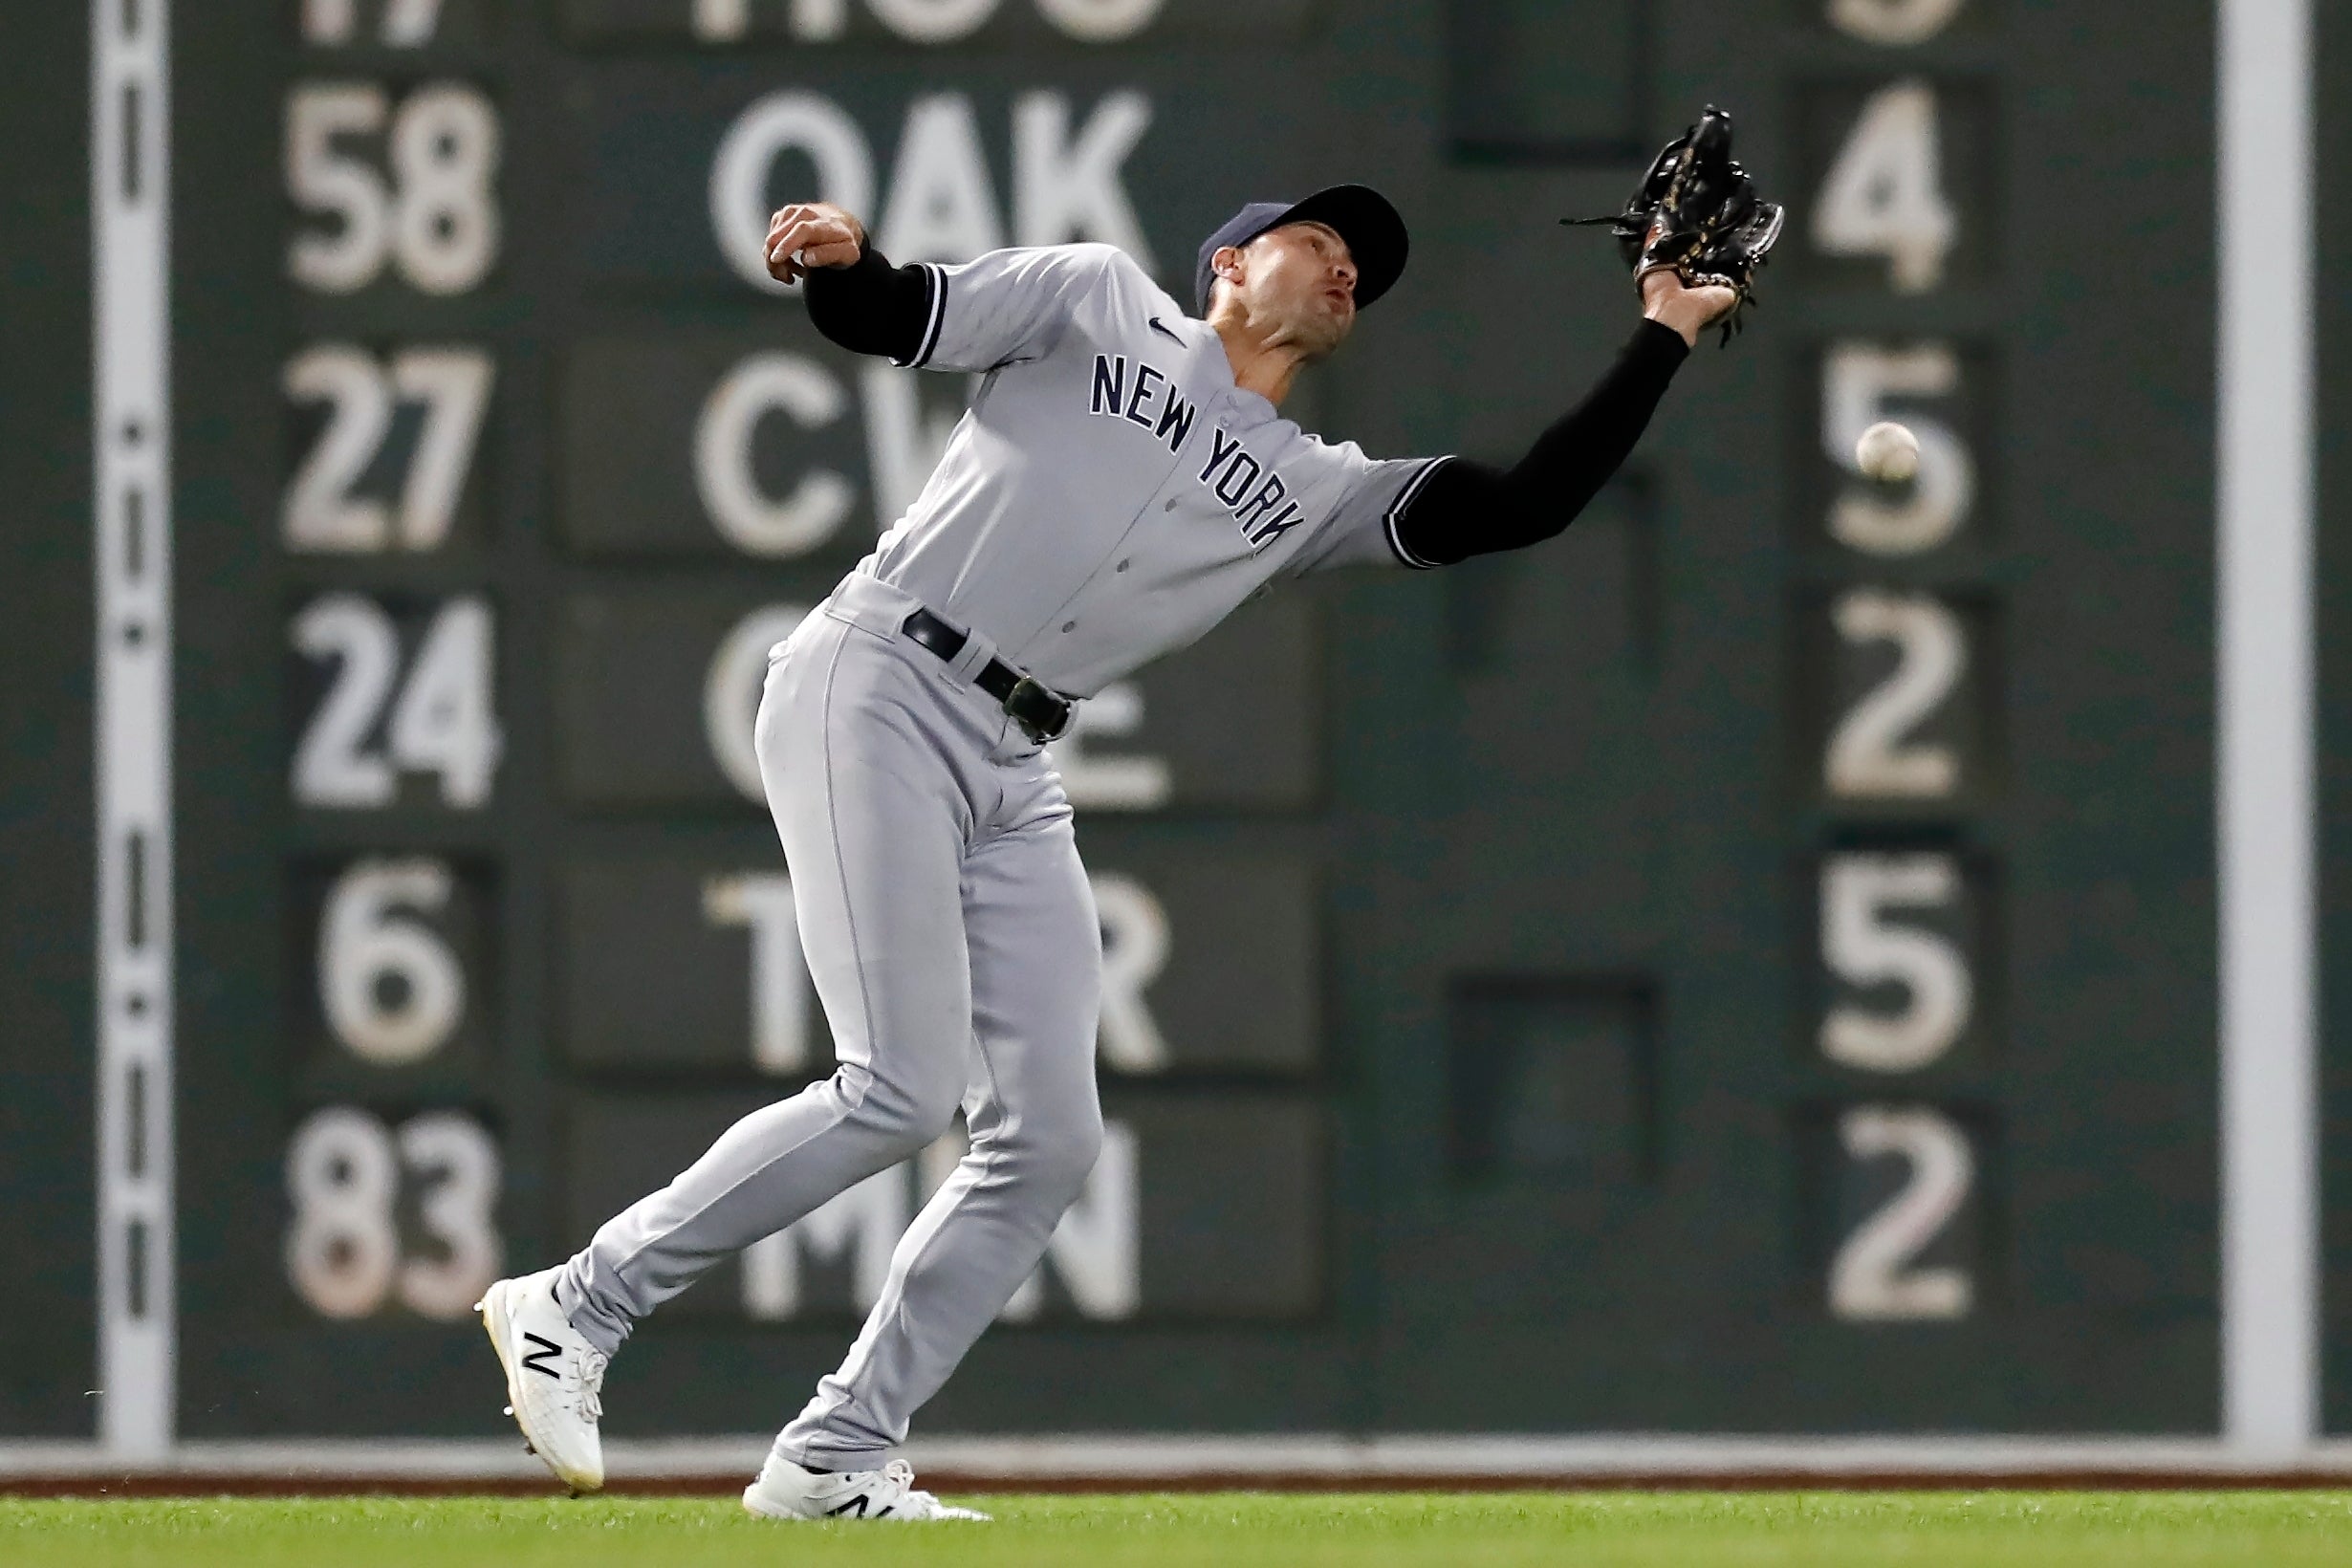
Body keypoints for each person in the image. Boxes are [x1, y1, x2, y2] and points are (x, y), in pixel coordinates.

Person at [476, 184, 1736, 1521]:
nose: (1349, 267)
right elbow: (901, 312)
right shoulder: (1095, 299)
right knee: (900, 1091)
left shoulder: (1307, 488)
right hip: (885, 677)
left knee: (1053, 1140)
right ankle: (578, 1303)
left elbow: (1523, 504)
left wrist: (1661, 327)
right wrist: (845, 264)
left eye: (1365, 263)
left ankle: (839, 1450)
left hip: (1015, 761)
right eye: (1323, 241)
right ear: (1231, 262)